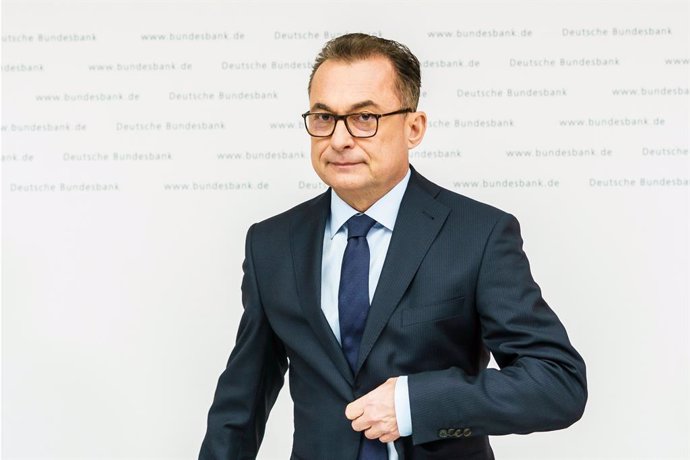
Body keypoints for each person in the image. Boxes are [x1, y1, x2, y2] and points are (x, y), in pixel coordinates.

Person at [199, 33, 587, 460]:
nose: (340, 139)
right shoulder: (270, 243)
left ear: (414, 127)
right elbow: (242, 404)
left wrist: (413, 404)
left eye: (365, 117)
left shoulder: (479, 233)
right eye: (324, 117)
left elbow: (557, 382)